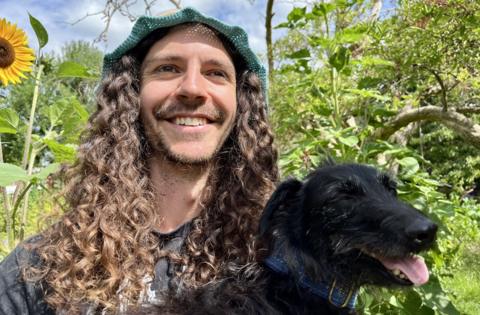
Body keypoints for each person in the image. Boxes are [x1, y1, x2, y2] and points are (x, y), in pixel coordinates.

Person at [0, 7, 354, 314]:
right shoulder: (43, 265)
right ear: (132, 96)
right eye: (167, 68)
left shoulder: (287, 258)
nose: (193, 88)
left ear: (242, 105)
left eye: (216, 73)